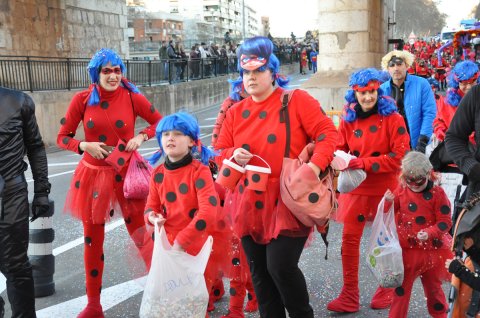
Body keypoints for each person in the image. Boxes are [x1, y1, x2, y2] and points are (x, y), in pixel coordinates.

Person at [214, 36, 338, 318]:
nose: (252, 77)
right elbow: (219, 151)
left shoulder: (295, 100)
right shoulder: (235, 112)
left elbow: (328, 134)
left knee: (280, 267)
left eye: (258, 71)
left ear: (273, 72)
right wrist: (233, 155)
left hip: (289, 198)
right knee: (260, 275)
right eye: (246, 72)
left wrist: (314, 169)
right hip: (248, 201)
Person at [57, 48, 162, 318]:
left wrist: (141, 137)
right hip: (93, 176)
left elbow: (159, 123)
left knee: (142, 234)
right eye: (107, 71)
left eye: (117, 70)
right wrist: (83, 145)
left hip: (127, 174)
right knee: (93, 241)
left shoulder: (132, 96)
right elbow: (62, 137)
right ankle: (94, 305)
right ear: (96, 73)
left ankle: (164, 291)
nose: (113, 76)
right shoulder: (82, 99)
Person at [327, 68, 410, 313]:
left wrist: (361, 162)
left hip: (385, 188)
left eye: (372, 91)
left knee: (387, 241)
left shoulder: (394, 119)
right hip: (356, 188)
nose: (367, 97)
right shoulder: (348, 118)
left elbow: (399, 157)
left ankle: (387, 288)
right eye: (362, 93)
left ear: (378, 91)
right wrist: (337, 158)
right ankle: (349, 294)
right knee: (349, 242)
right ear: (355, 93)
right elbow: (339, 147)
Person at [145, 112, 218, 318]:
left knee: (194, 299)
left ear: (192, 142)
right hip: (167, 243)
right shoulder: (157, 173)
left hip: (195, 239)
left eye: (178, 134)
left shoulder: (199, 171)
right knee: (170, 300)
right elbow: (150, 206)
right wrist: (152, 217)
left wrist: (183, 240)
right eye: (166, 134)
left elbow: (208, 210)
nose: (170, 138)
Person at [0, 86, 51, 317]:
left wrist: (41, 191)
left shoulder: (18, 101)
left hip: (10, 194)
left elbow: (35, 147)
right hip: (11, 190)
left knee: (16, 266)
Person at [384, 151, 453, 318]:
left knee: (434, 289)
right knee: (401, 290)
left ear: (429, 175)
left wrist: (430, 232)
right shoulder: (401, 189)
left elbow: (445, 221)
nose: (414, 185)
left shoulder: (438, 194)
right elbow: (389, 214)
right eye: (409, 181)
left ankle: (440, 315)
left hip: (432, 252)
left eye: (419, 181)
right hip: (407, 250)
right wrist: (387, 202)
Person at [211, 88, 258, 318]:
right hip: (233, 182)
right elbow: (217, 144)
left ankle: (254, 292)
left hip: (264, 187)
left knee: (252, 250)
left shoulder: (277, 101)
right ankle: (232, 303)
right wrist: (229, 155)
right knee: (232, 246)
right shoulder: (230, 103)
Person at [380, 50, 437, 153]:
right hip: (392, 146)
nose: (396, 68)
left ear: (406, 65)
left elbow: (429, 113)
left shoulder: (422, 84)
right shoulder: (382, 90)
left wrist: (423, 141)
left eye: (399, 64)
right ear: (387, 69)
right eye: (392, 65)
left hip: (418, 143)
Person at [433, 60, 479, 143]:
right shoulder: (446, 101)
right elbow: (439, 122)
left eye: (472, 82)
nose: (469, 87)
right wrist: (441, 134)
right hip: (456, 147)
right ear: (457, 83)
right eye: (464, 83)